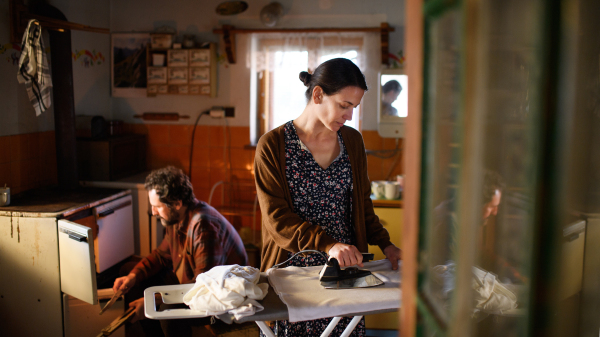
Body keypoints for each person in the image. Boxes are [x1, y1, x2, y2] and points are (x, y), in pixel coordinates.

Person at [254, 58, 402, 337]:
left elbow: (362, 206)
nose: (349, 116)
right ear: (318, 94)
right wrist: (329, 244)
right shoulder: (272, 146)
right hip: (294, 279)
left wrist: (386, 243)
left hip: (345, 274)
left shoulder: (353, 142)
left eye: (354, 108)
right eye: (344, 106)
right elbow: (277, 220)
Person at [113, 166, 248, 337]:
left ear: (177, 203)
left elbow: (202, 288)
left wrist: (151, 302)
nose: (153, 212)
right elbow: (161, 256)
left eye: (157, 207)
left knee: (168, 309)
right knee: (130, 271)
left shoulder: (203, 226)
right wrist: (132, 277)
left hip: (220, 298)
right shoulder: (175, 218)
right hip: (194, 283)